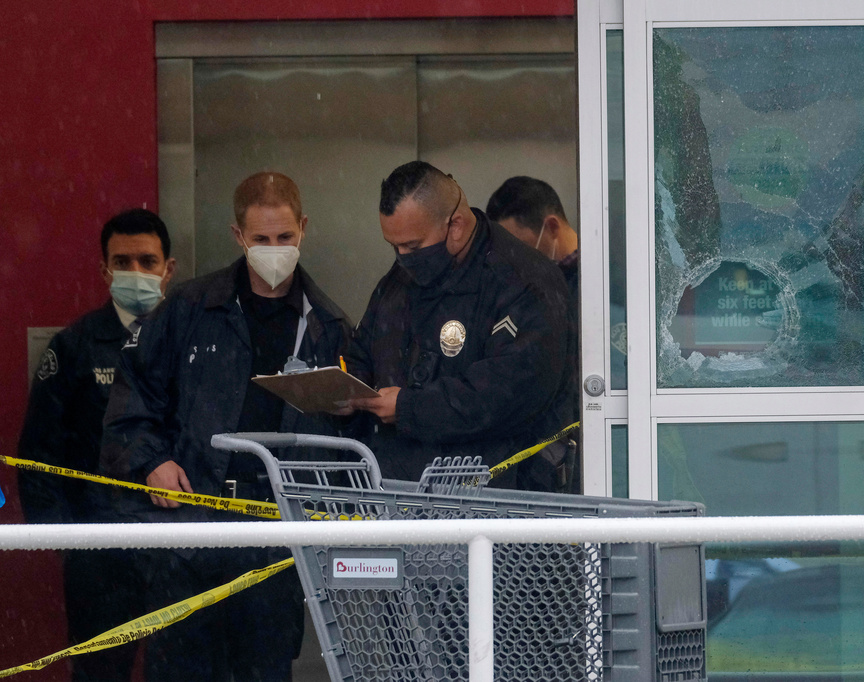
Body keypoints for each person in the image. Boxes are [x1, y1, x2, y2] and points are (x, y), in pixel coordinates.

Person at [101, 172, 353, 682]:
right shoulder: (189, 310)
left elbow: (347, 449)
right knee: (180, 669)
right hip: (191, 526)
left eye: (285, 237)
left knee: (265, 670)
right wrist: (153, 461)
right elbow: (131, 404)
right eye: (262, 239)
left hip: (277, 535)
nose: (275, 249)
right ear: (238, 237)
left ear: (303, 229)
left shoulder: (329, 327)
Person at [346, 161, 575, 492]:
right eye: (393, 247)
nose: (402, 257)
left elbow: (508, 392)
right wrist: (346, 391)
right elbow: (365, 348)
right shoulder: (399, 280)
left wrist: (409, 408)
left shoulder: (524, 280)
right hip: (401, 495)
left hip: (498, 501)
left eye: (411, 246)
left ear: (455, 225)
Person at [18, 208, 176, 682]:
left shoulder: (195, 340)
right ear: (104, 270)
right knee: (100, 673)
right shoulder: (75, 347)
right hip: (100, 545)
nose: (135, 273)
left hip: (179, 542)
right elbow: (38, 454)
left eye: (147, 261)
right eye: (122, 261)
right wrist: (67, 540)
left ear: (169, 268)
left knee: (183, 668)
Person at [487, 177, 581, 490]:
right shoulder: (517, 290)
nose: (516, 259)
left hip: (577, 447)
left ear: (551, 227)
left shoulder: (601, 282)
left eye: (521, 246)